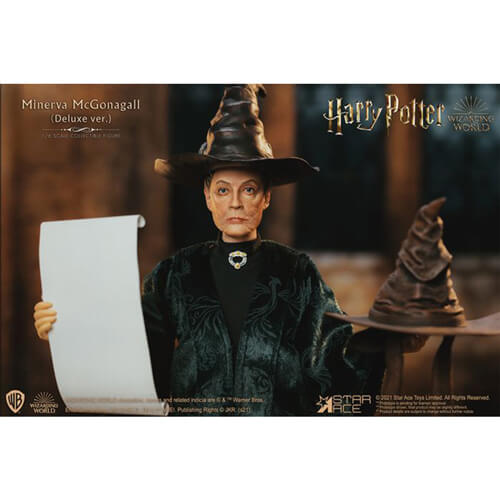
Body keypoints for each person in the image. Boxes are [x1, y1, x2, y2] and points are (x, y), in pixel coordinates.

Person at [34, 84, 386, 416]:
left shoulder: (297, 273)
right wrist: (67, 329)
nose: (235, 203)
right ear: (207, 196)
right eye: (222, 190)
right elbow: (132, 352)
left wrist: (388, 342)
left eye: (249, 190)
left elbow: (335, 359)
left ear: (266, 197)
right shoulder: (175, 274)